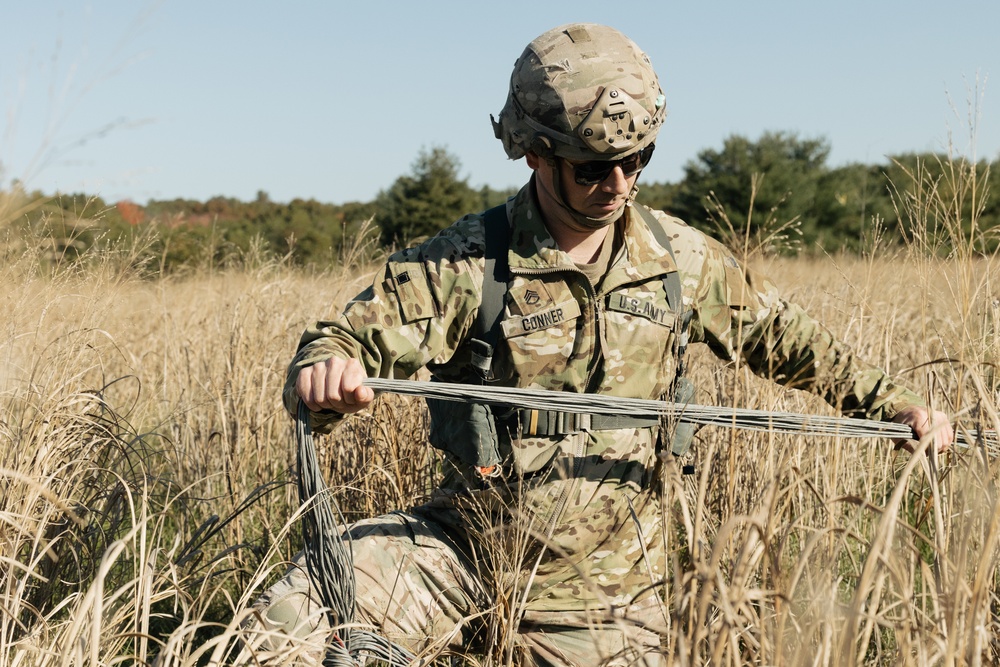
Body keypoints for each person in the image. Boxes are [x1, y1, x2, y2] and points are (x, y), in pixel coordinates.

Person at [244, 23, 953, 666]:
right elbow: (339, 341)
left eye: (637, 158)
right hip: (472, 550)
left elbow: (787, 338)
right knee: (287, 627)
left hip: (617, 595)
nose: (618, 184)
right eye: (590, 167)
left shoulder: (679, 258)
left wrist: (896, 404)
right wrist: (327, 375)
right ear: (535, 154)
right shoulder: (472, 260)